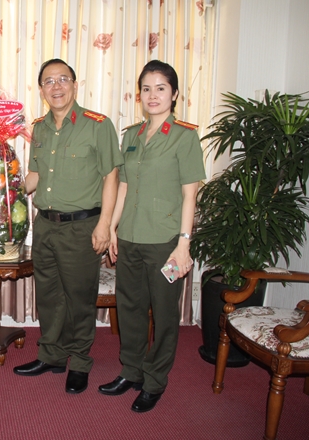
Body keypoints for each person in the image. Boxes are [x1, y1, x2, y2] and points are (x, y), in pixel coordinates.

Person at [98, 60, 206, 412]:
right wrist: (113, 228)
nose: (153, 95)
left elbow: (190, 195)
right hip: (130, 237)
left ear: (174, 94)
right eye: (146, 88)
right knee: (129, 309)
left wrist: (184, 244)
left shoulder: (185, 136)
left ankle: (155, 380)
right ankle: (131, 371)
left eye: (161, 88)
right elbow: (124, 186)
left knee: (163, 314)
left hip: (166, 243)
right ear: (139, 95)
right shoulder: (131, 135)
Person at [13, 59, 123, 394]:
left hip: (81, 227)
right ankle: (52, 355)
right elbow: (34, 177)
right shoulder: (40, 128)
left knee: (79, 298)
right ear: (41, 90)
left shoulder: (97, 125)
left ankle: (80, 362)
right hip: (45, 225)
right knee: (49, 296)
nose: (56, 86)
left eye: (63, 79)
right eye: (49, 81)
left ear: (75, 85)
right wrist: (2, 189)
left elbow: (111, 176)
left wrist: (105, 225)